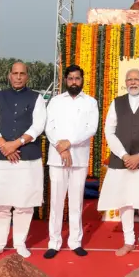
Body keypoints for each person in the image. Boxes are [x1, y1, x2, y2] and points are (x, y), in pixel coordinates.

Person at [0, 61, 47, 259]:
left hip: (26, 158)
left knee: (24, 204)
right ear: (9, 76)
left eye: (22, 74)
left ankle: (20, 243)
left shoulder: (37, 98)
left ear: (27, 76)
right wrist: (4, 145)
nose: (18, 77)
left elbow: (38, 126)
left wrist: (16, 144)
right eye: (15, 73)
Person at [98, 68, 139, 257]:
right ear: (125, 82)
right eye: (130, 79)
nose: (133, 82)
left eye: (137, 79)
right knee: (125, 200)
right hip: (122, 161)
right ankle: (128, 241)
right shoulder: (117, 103)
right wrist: (124, 155)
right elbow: (109, 131)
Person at [43, 64, 99, 259]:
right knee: (56, 202)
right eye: (70, 79)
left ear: (82, 80)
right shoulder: (56, 101)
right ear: (65, 81)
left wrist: (69, 142)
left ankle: (75, 241)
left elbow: (90, 128)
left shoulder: (90, 102)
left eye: (77, 78)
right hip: (57, 157)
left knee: (76, 202)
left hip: (79, 158)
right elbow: (49, 127)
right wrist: (61, 146)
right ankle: (54, 242)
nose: (74, 82)